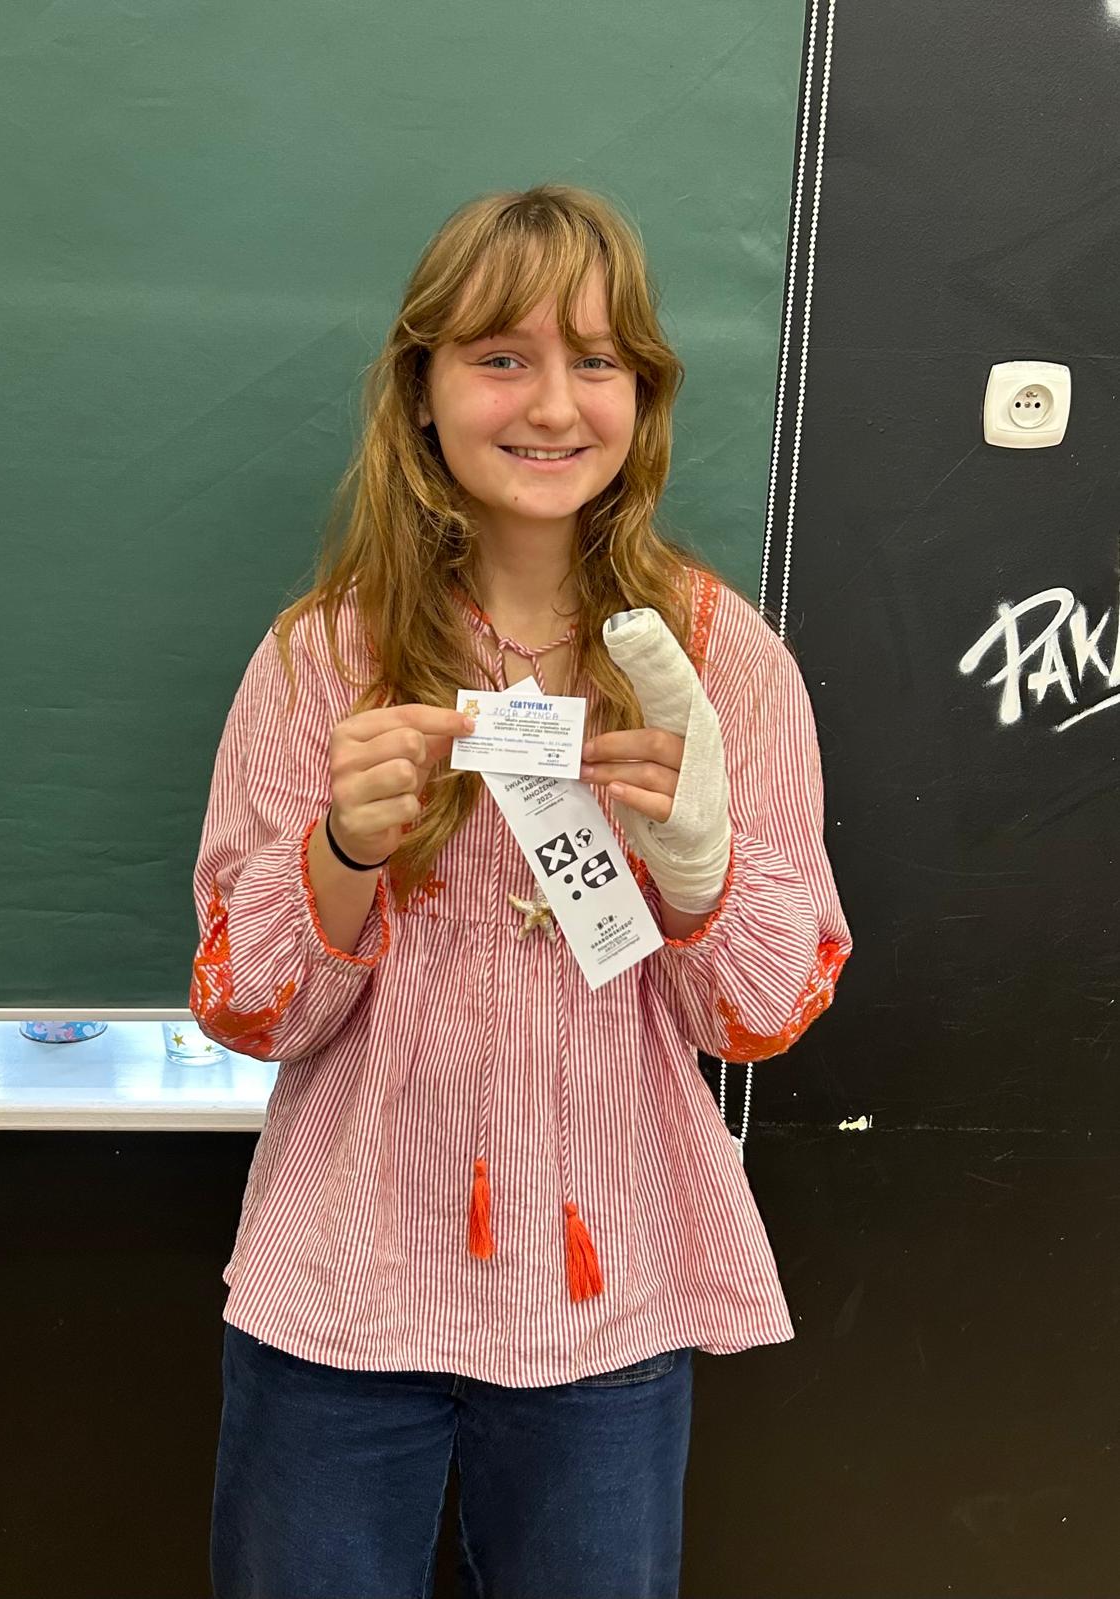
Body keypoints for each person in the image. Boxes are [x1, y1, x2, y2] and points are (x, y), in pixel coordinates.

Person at [189, 183, 852, 1599]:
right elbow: (250, 1012)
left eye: (595, 360)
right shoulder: (322, 658)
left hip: (602, 1309)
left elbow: (758, 1017)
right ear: (421, 389)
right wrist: (342, 854)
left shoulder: (721, 664)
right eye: (500, 356)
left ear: (642, 395)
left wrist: (696, 870)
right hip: (342, 1297)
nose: (552, 403)